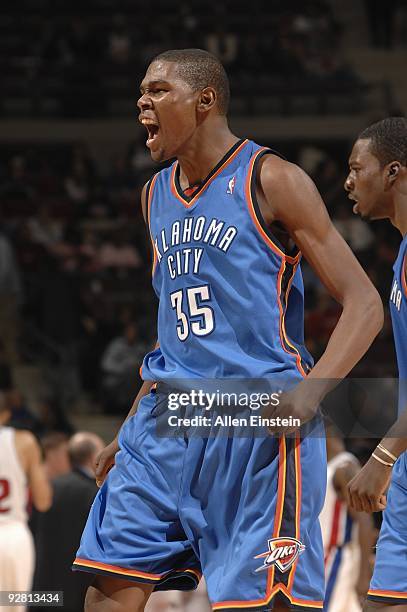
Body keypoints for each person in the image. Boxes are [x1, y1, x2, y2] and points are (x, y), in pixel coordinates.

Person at [72, 49, 383, 612]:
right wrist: (131, 424)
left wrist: (311, 393)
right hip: (168, 420)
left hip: (254, 419)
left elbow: (364, 302)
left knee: (260, 604)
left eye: (159, 90)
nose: (142, 101)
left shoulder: (273, 179)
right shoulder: (154, 195)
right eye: (142, 91)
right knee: (107, 592)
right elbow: (174, 329)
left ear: (205, 101)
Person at [345, 117, 407, 611]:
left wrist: (382, 459)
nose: (348, 180)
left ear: (393, 172)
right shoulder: (401, 253)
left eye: (356, 167)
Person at [31, 432, 104, 612]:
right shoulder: (98, 495)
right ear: (93, 457)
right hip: (79, 588)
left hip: (42, 586)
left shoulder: (48, 488)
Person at [0, 391, 52, 612]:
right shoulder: (24, 441)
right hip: (12, 535)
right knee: (12, 604)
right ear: (5, 414)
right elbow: (43, 501)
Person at [320, 436, 374, 612]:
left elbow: (365, 521)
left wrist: (363, 576)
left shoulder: (345, 467)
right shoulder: (324, 466)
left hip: (338, 559)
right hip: (322, 558)